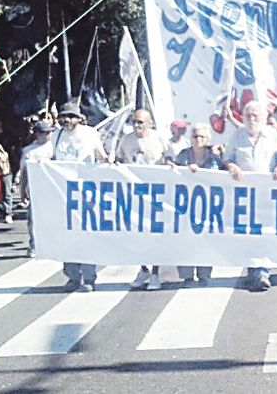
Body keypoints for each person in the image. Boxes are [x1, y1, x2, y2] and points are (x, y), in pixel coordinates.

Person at [224, 100, 277, 291]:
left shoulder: (273, 135)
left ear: (263, 117)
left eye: (255, 115)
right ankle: (252, 269)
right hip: (244, 195)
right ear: (243, 117)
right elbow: (227, 158)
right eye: (248, 115)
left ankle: (263, 271)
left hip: (268, 193)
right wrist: (232, 166)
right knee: (248, 232)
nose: (252, 118)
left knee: (265, 231)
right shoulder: (237, 136)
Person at [52, 102, 109, 291]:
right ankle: (72, 277)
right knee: (67, 237)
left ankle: (89, 277)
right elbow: (50, 158)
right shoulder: (56, 135)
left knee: (86, 236)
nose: (66, 120)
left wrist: (108, 161)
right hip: (63, 193)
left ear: (79, 118)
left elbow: (101, 155)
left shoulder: (90, 134)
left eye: (70, 116)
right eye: (63, 116)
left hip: (86, 192)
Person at [119, 109, 170, 291]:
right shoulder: (126, 140)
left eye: (141, 122)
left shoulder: (158, 139)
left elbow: (169, 158)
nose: (137, 125)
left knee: (154, 234)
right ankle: (143, 269)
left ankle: (156, 273)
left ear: (149, 123)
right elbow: (119, 159)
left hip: (154, 194)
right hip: (133, 194)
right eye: (134, 122)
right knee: (137, 234)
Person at [172, 123, 224, 286]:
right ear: (190, 138)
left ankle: (204, 274)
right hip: (186, 205)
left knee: (207, 240)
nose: (199, 139)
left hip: (208, 205)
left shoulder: (214, 157)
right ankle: (187, 275)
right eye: (195, 136)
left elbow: (220, 176)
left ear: (207, 138)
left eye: (202, 136)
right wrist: (184, 169)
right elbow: (174, 174)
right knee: (186, 239)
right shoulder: (182, 155)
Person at [18, 121, 56, 258]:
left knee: (52, 218)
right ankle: (34, 245)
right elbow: (24, 173)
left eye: (49, 132)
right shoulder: (28, 151)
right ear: (37, 134)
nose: (48, 135)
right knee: (33, 219)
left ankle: (52, 243)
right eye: (45, 132)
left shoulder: (54, 148)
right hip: (35, 189)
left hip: (53, 189)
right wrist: (22, 191)